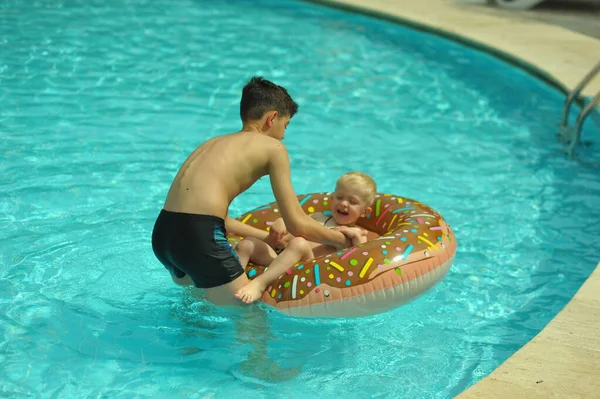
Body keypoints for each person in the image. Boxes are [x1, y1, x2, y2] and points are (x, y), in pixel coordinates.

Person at [151, 76, 357, 306]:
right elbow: (297, 225)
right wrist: (341, 241)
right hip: (198, 237)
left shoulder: (213, 143)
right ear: (272, 118)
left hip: (164, 236)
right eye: (285, 126)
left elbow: (216, 219)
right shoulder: (273, 148)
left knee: (197, 311)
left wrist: (266, 239)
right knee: (249, 319)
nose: (284, 135)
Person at [234, 171, 377, 304]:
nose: (344, 203)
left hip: (307, 266)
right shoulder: (317, 216)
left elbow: (358, 258)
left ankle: (259, 284)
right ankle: (231, 286)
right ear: (332, 198)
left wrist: (355, 238)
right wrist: (281, 222)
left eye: (352, 201)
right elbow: (294, 222)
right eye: (339, 197)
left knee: (299, 244)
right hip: (280, 259)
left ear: (364, 212)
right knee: (247, 244)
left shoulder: (356, 233)